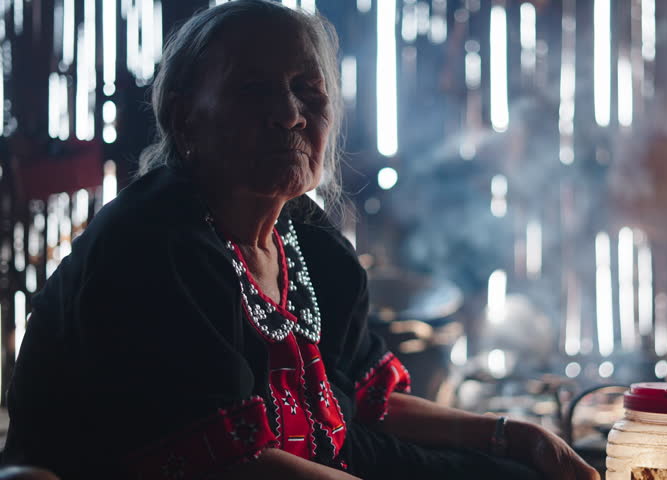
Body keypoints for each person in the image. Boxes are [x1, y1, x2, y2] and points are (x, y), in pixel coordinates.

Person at [2, 2, 599, 479]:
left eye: (306, 91)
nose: (289, 115)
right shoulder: (154, 243)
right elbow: (226, 462)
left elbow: (369, 406)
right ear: (186, 118)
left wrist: (511, 435)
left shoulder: (304, 239)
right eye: (252, 90)